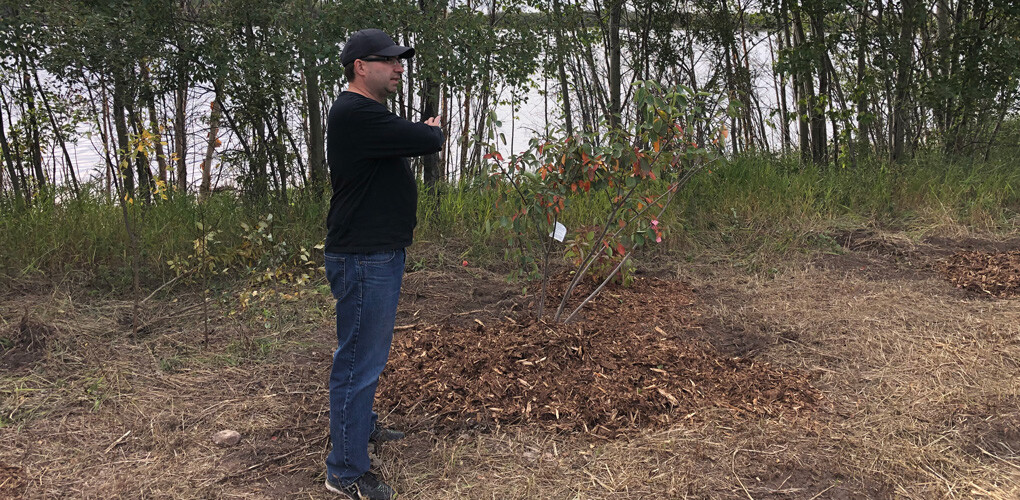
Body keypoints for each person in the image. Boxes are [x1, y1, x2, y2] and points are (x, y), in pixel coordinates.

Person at [323, 28, 443, 500]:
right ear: (360, 66)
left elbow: (407, 140)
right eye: (389, 61)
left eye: (400, 61)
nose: (399, 68)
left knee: (363, 357)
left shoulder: (367, 113)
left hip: (375, 253)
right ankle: (346, 470)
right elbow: (424, 139)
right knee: (357, 362)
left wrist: (422, 134)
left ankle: (360, 429)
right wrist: (431, 131)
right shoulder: (355, 112)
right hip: (364, 257)